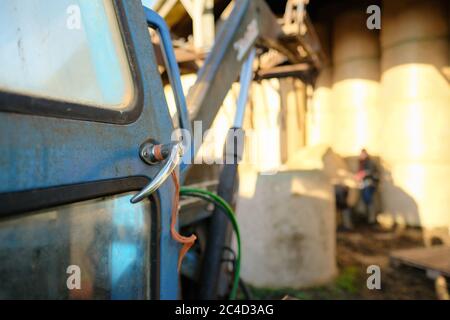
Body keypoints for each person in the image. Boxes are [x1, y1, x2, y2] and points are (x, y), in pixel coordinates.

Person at [356, 149, 379, 224]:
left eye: (363, 154)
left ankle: (372, 219)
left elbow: (371, 172)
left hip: (369, 184)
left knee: (369, 200)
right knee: (365, 200)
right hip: (364, 184)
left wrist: (363, 173)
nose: (362, 156)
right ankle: (367, 218)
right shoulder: (361, 162)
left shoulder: (369, 162)